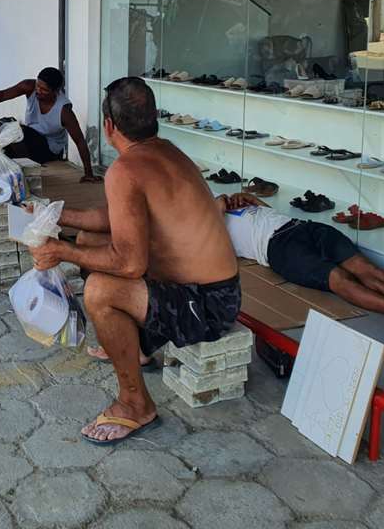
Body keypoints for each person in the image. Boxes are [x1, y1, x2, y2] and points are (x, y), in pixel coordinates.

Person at [29, 76, 240, 446]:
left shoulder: (124, 170)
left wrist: (60, 251)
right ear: (152, 120)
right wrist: (55, 214)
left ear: (109, 127)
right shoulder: (165, 150)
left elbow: (129, 265)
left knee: (99, 291)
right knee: (90, 239)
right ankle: (139, 348)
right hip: (209, 291)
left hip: (207, 305)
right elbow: (113, 220)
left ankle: (134, 402)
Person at [217, 191, 384, 331]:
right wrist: (216, 209)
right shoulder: (207, 227)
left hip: (301, 227)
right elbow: (213, 249)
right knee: (341, 279)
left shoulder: (226, 207)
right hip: (278, 248)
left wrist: (250, 199)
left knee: (364, 267)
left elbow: (271, 214)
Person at [0, 67, 100, 182]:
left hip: (48, 149)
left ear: (55, 91)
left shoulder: (64, 112)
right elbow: (2, 95)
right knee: (1, 125)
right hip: (28, 139)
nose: (38, 91)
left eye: (44, 90)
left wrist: (88, 173)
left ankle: (20, 172)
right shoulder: (29, 87)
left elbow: (79, 141)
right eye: (37, 86)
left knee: (16, 131)